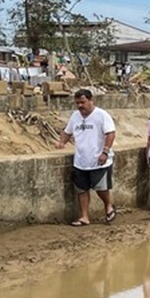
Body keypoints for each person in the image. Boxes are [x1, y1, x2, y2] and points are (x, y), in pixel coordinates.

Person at [57, 89, 117, 226]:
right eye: (77, 103)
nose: (80, 106)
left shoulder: (102, 115)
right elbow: (68, 132)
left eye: (82, 102)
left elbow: (110, 134)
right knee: (81, 189)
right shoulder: (75, 116)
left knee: (101, 188)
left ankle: (109, 205)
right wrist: (62, 142)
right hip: (81, 160)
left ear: (91, 101)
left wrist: (105, 152)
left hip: (99, 160)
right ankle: (84, 216)